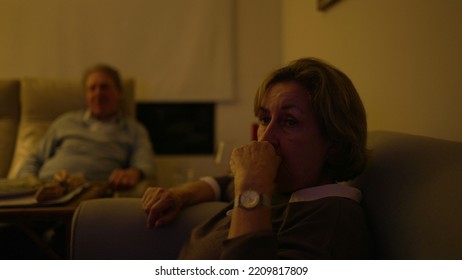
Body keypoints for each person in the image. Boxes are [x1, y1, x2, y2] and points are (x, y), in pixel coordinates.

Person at [141, 57, 370, 259]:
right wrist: (179, 195)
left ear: (335, 144)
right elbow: (224, 185)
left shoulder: (332, 220)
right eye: (264, 118)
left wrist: (252, 182)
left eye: (290, 121)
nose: (266, 138)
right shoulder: (279, 188)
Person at [17, 64, 156, 190]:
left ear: (119, 93)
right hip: (44, 187)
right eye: (92, 88)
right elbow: (34, 159)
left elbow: (145, 165)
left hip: (90, 193)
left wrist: (134, 173)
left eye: (104, 87)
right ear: (86, 96)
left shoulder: (134, 129)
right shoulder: (65, 121)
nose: (97, 93)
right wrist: (28, 185)